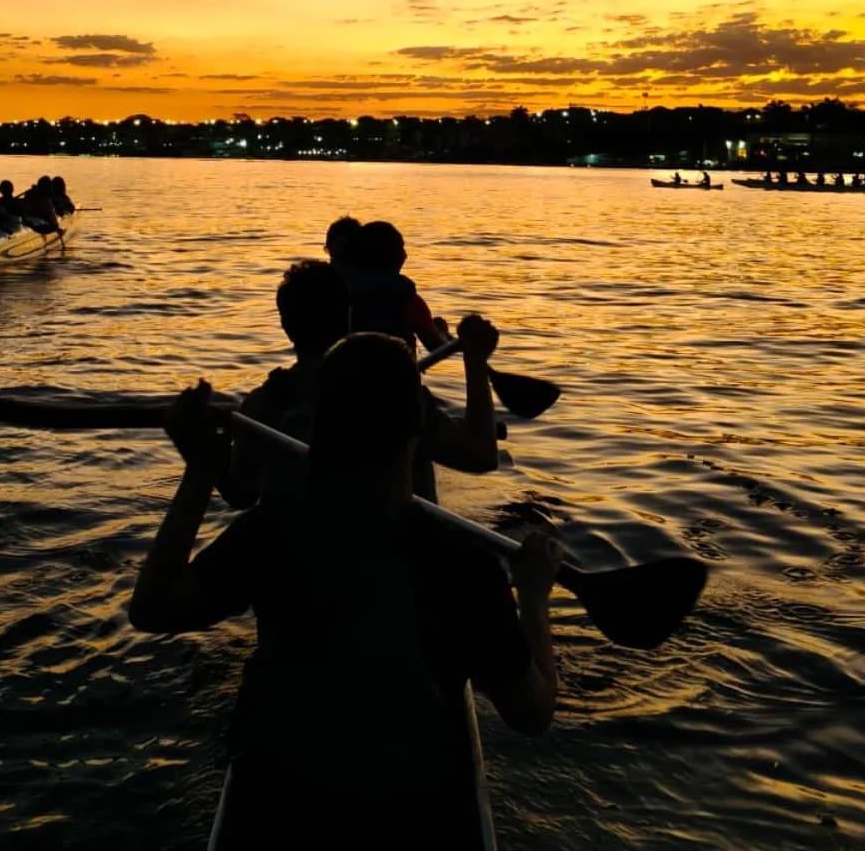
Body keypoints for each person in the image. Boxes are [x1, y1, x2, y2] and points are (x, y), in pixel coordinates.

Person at [129, 334, 559, 847]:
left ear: (320, 427)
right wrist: (533, 598)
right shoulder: (463, 564)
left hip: (287, 801)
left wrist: (200, 471)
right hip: (408, 811)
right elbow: (531, 714)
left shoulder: (270, 532)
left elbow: (154, 607)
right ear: (420, 427)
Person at [220, 261, 499, 509]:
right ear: (348, 314)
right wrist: (475, 361)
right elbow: (481, 457)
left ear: (285, 324)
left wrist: (205, 450)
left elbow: (241, 495)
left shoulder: (261, 407)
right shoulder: (396, 393)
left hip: (298, 560)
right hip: (400, 555)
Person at [345, 220, 448, 352]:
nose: (405, 255)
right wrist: (443, 333)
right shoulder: (408, 300)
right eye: (400, 248)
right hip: (396, 371)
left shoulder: (337, 293)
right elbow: (436, 347)